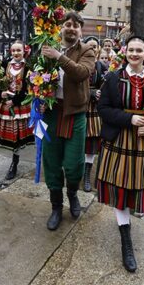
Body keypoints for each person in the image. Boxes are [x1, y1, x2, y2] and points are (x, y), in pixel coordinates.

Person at [95, 35, 144, 273]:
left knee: (135, 187)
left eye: (140, 50)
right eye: (131, 50)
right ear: (125, 52)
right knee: (119, 187)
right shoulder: (113, 78)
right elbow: (103, 109)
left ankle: (127, 220)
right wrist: (129, 119)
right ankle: (126, 241)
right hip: (119, 139)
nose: (135, 54)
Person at [39, 12, 95, 230]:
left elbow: (82, 73)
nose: (71, 28)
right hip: (51, 113)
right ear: (61, 28)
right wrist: (39, 99)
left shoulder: (86, 50)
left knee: (73, 165)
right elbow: (35, 75)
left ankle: (72, 194)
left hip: (75, 114)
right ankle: (56, 206)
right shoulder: (48, 46)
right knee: (52, 164)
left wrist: (58, 57)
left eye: (76, 25)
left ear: (81, 30)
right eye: (67, 24)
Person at [0, 40, 34, 180]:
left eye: (18, 50)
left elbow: (30, 89)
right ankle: (14, 161)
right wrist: (0, 94)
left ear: (24, 51)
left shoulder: (28, 67)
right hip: (5, 104)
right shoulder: (4, 64)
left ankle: (15, 162)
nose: (16, 53)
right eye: (13, 50)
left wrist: (15, 101)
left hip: (19, 105)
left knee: (17, 136)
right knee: (11, 137)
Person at [83, 37, 107, 192]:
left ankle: (87, 175)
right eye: (89, 46)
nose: (92, 49)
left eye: (95, 46)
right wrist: (90, 92)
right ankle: (74, 171)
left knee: (91, 145)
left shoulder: (102, 66)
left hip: (94, 111)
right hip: (80, 106)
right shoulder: (79, 64)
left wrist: (100, 92)